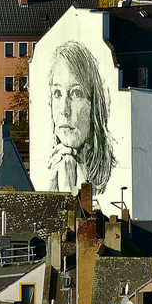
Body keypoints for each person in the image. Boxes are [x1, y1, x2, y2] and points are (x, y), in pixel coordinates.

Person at [43, 41, 115, 194]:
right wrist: (50, 192)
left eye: (76, 93)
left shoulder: (110, 179)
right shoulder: (55, 168)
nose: (64, 110)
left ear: (94, 105)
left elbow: (81, 218)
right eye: (57, 93)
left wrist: (69, 192)